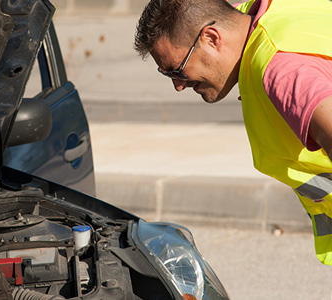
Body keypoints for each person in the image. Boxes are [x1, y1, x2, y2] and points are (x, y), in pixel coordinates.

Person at [134, 0, 332, 265]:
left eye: (176, 70)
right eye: (166, 73)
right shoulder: (270, 12)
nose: (178, 86)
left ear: (212, 38)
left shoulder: (281, 71)